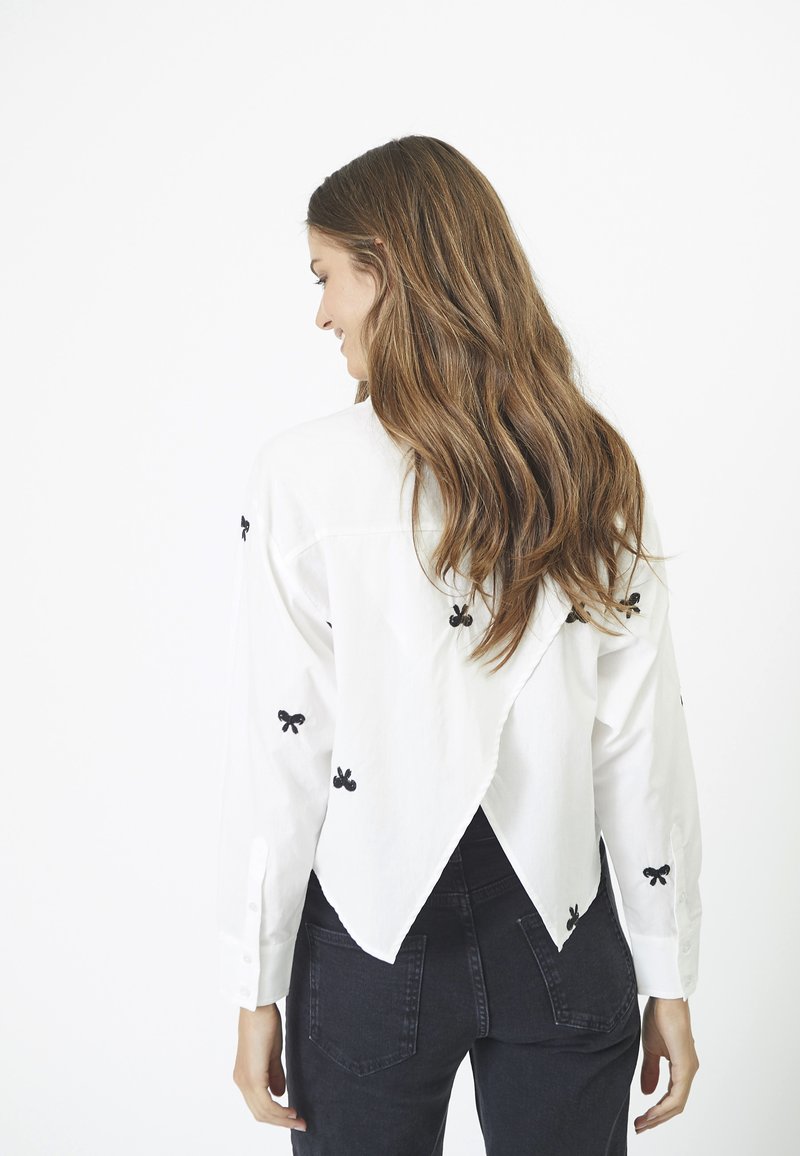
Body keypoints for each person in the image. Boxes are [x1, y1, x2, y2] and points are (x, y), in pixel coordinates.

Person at [217, 135, 702, 1153]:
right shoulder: (589, 465)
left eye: (326, 276)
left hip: (369, 935)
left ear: (386, 271)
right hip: (565, 931)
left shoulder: (300, 475)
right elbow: (638, 745)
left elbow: (287, 747)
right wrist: (667, 973)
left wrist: (255, 985)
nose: (320, 314)